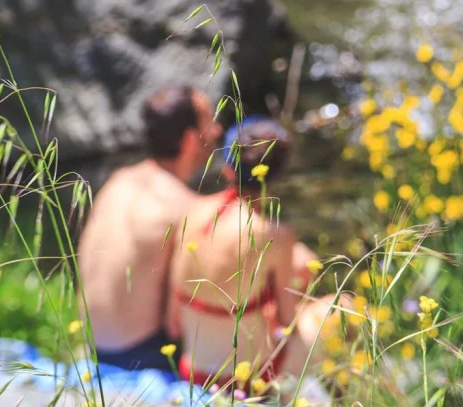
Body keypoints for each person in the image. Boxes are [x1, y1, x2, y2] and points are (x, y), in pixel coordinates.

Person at [167, 117, 343, 390]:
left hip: (191, 371)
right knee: (345, 306)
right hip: (247, 380)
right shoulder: (273, 235)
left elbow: (174, 322)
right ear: (277, 175)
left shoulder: (189, 210)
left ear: (227, 169)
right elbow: (288, 322)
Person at [76, 86, 223, 371]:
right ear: (191, 139)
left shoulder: (118, 180)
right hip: (142, 356)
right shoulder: (184, 208)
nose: (217, 131)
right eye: (209, 122)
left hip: (92, 345)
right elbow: (178, 318)